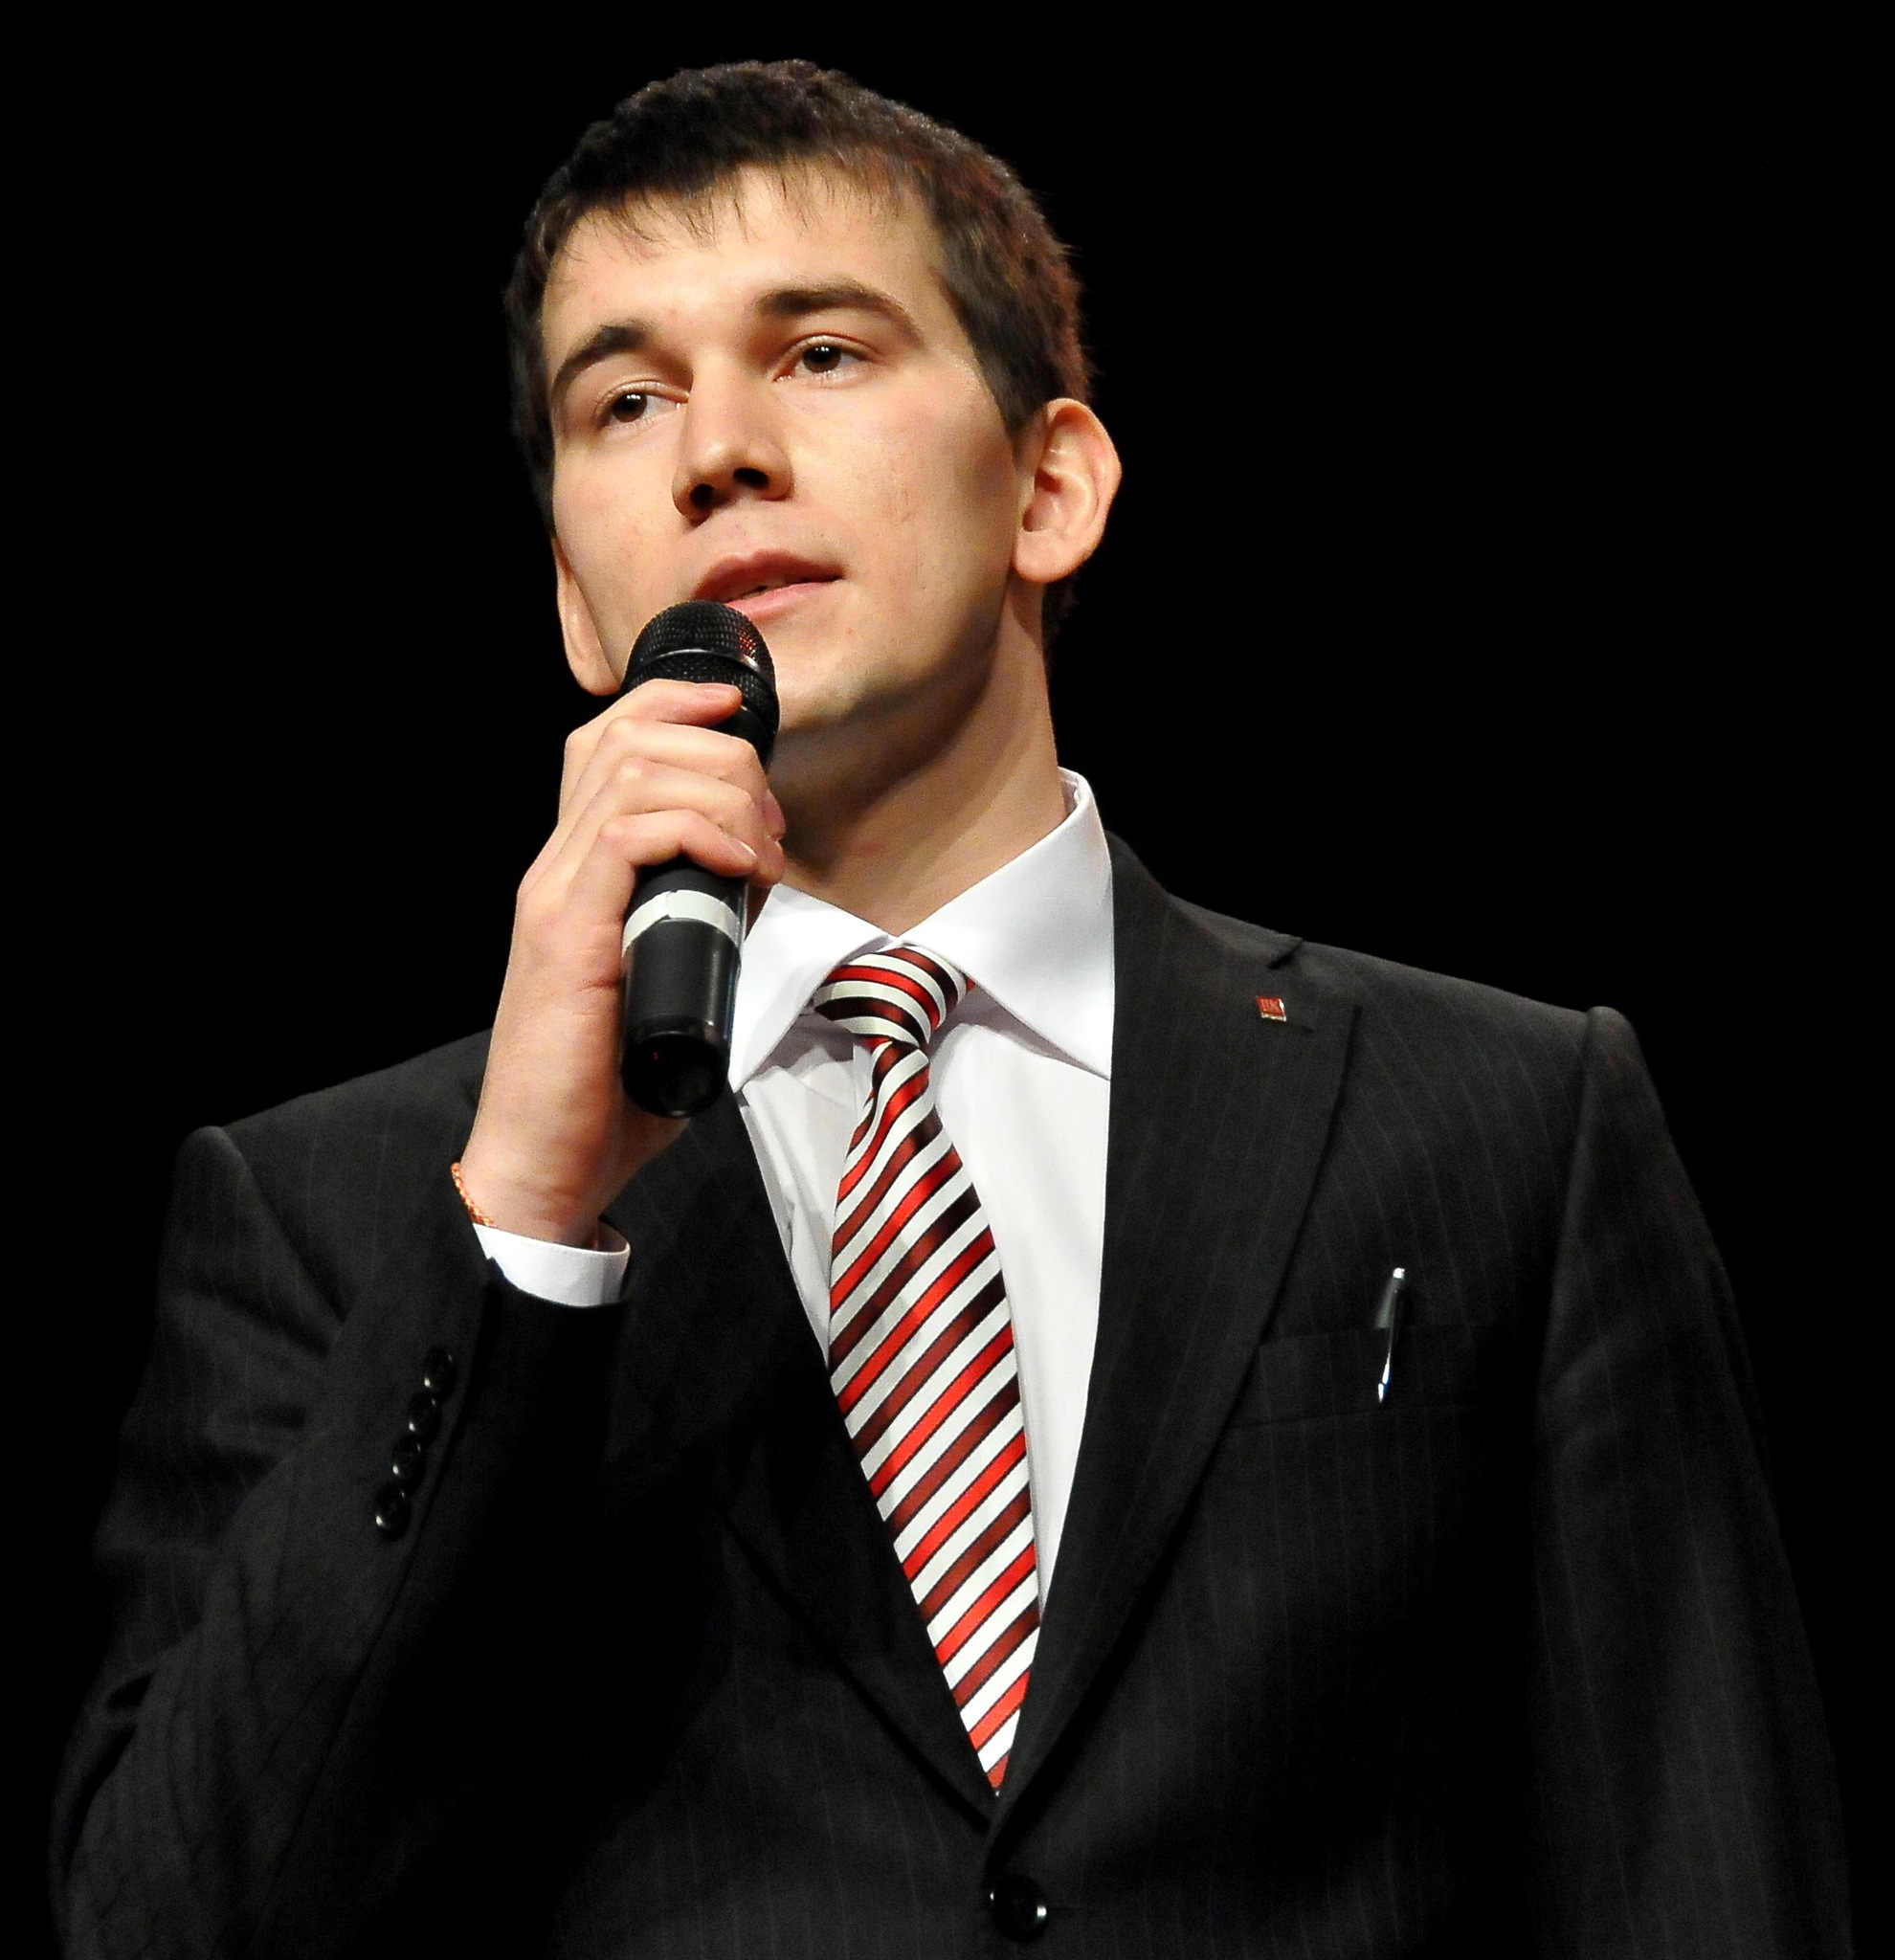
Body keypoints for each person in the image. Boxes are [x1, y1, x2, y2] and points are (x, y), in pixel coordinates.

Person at [53, 61, 1848, 1957]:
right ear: (578, 604)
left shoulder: (1503, 1120)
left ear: (1051, 485)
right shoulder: (337, 1217)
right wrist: (520, 1222)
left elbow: (1705, 1871)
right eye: (625, 398)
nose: (716, 452)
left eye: (820, 354)